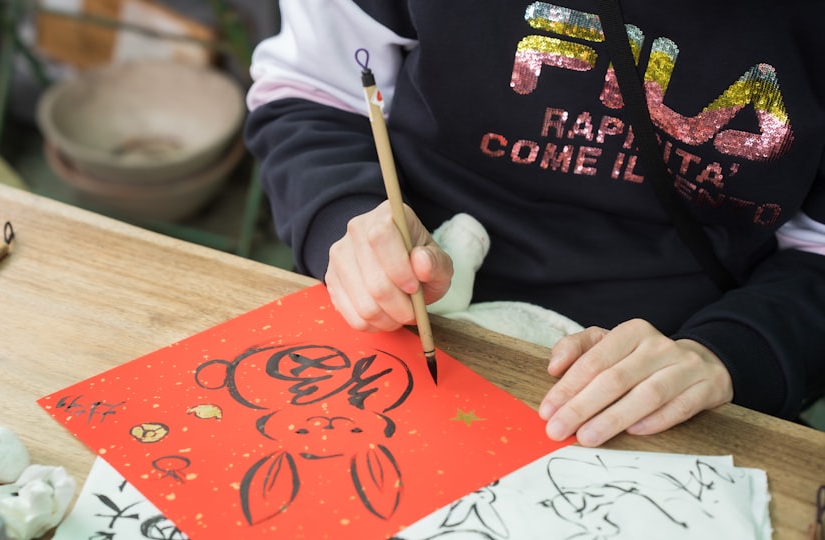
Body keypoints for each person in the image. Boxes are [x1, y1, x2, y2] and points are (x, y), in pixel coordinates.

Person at [243, 0, 825, 446]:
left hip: (674, 367)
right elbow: (312, 93)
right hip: (417, 309)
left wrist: (733, 354)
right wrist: (345, 223)